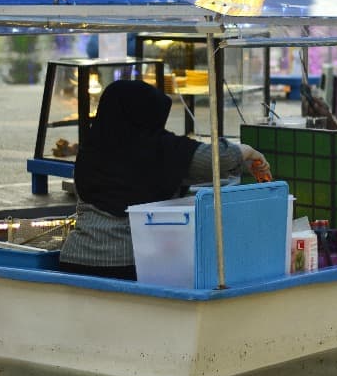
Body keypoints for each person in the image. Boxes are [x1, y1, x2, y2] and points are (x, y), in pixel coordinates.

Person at [59, 79, 272, 280]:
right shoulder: (159, 150)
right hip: (126, 263)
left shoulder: (92, 148)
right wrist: (248, 151)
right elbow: (218, 159)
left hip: (74, 258)